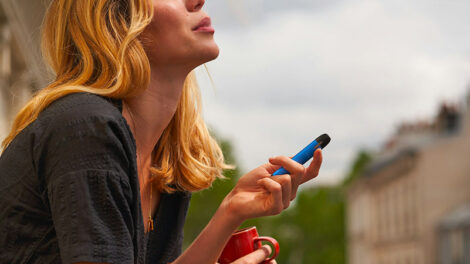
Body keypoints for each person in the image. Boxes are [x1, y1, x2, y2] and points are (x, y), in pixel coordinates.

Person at [0, 0, 323, 263]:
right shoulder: (88, 129)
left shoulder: (166, 160)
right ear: (115, 19)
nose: (198, 0)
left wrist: (231, 211)